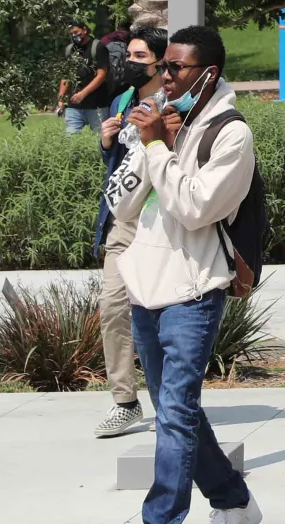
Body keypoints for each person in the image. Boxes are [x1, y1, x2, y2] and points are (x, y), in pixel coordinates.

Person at [104, 25, 263, 524]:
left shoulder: (231, 134)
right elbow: (119, 204)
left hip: (194, 289)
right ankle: (234, 500)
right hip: (145, 283)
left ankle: (161, 517)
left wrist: (158, 149)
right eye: (164, 66)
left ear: (207, 74)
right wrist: (144, 143)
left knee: (174, 411)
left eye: (175, 67)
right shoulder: (159, 120)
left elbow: (195, 208)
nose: (164, 76)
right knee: (178, 411)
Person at [92, 26, 170, 439]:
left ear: (161, 62)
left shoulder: (176, 103)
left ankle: (171, 399)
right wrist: (107, 143)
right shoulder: (122, 100)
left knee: (162, 315)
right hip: (123, 222)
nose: (131, 63)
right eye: (130, 56)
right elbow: (119, 164)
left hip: (163, 222)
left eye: (141, 57)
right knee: (112, 306)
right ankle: (124, 400)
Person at [60, 18, 115, 135]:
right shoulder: (70, 50)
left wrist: (83, 94)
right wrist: (61, 98)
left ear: (84, 30)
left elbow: (102, 75)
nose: (74, 36)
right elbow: (66, 76)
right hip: (74, 106)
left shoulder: (98, 47)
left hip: (97, 105)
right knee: (70, 138)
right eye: (71, 34)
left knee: (100, 138)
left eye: (76, 32)